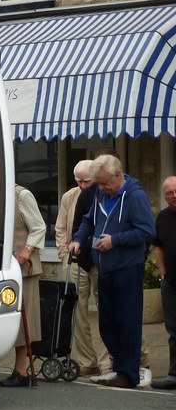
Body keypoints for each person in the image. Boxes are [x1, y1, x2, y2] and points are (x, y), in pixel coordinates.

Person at [69, 155, 155, 389]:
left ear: (118, 175)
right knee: (107, 323)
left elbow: (147, 230)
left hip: (127, 266)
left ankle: (128, 374)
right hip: (104, 266)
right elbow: (88, 220)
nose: (103, 188)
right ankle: (121, 367)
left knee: (127, 322)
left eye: (105, 183)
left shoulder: (135, 196)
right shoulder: (100, 192)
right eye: (99, 184)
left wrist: (115, 240)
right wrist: (78, 239)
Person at [0, 153, 45, 387]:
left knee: (22, 320)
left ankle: (22, 371)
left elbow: (38, 228)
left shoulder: (21, 195)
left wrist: (26, 250)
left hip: (21, 267)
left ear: (3, 172)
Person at [54, 160, 110, 377]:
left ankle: (107, 362)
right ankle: (86, 360)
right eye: (79, 181)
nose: (83, 185)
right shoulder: (70, 196)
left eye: (87, 181)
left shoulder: (105, 194)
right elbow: (60, 227)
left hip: (100, 260)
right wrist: (63, 253)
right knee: (76, 311)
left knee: (107, 310)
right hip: (76, 259)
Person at [151, 175, 176, 390]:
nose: (174, 195)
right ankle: (173, 375)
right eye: (169, 193)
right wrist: (162, 273)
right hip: (171, 283)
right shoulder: (163, 217)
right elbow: (158, 245)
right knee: (173, 330)